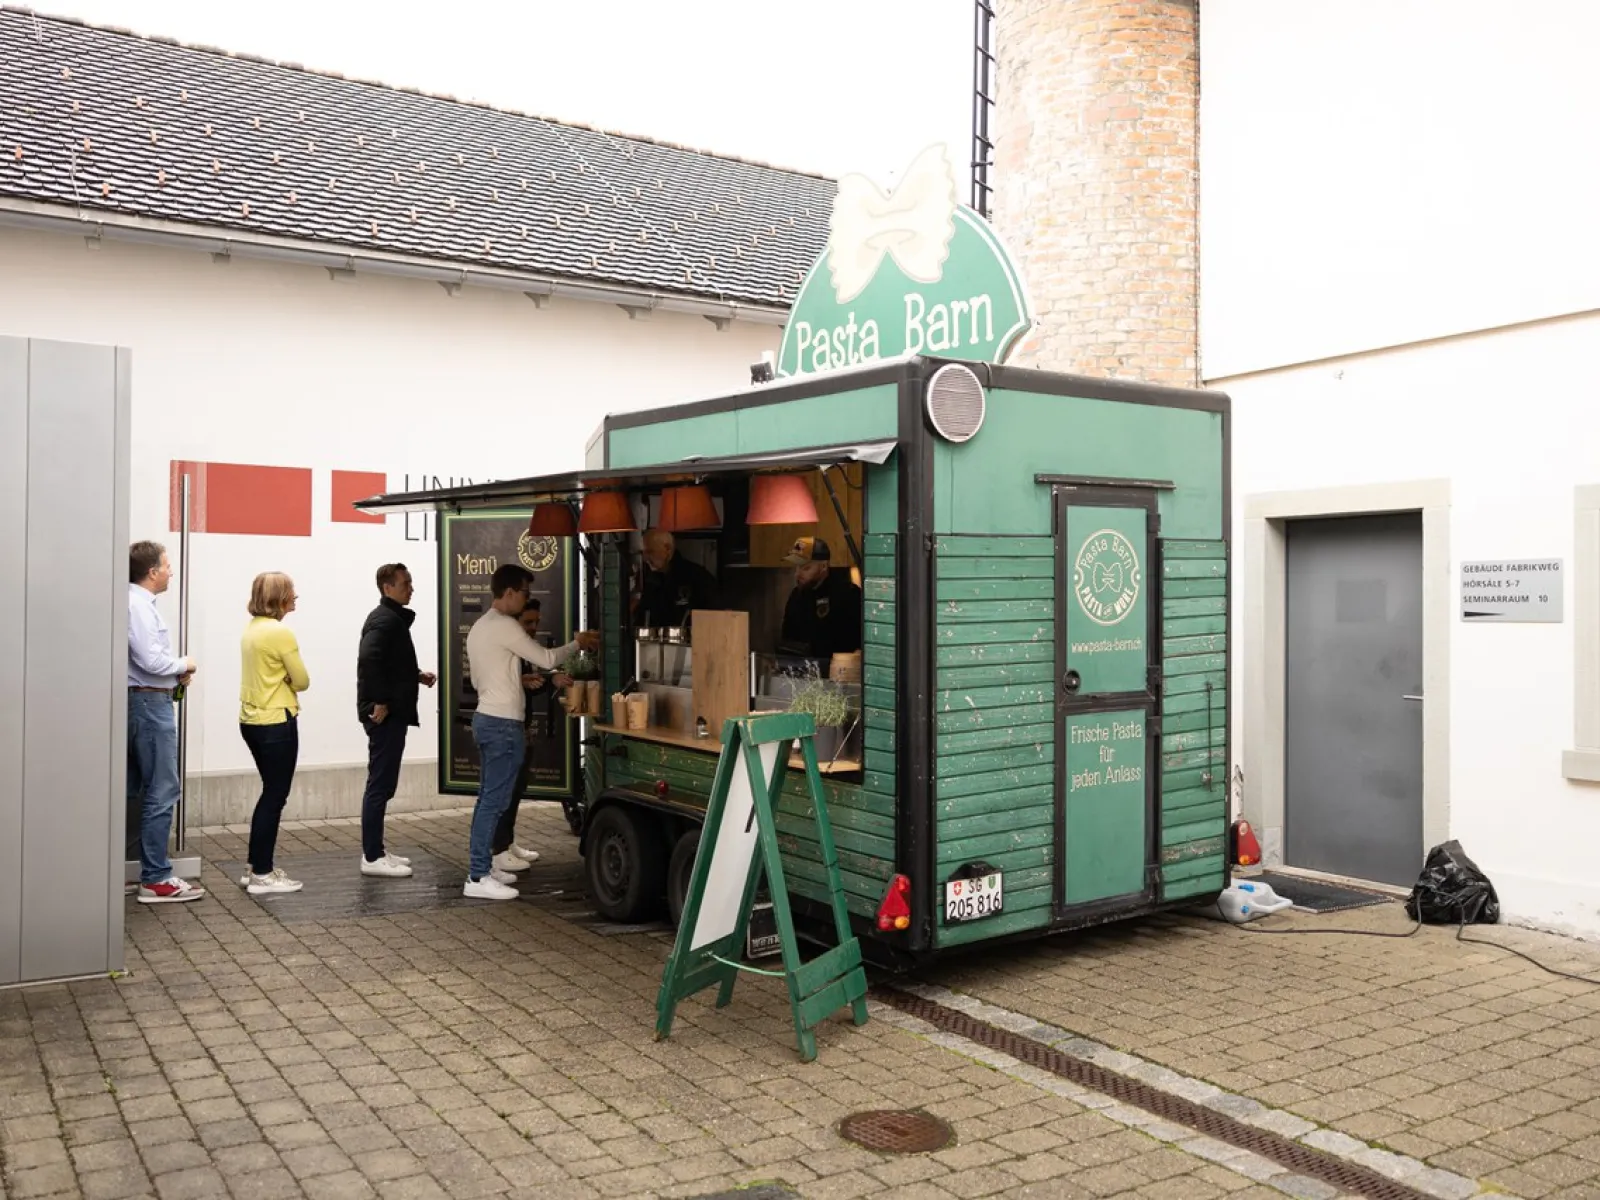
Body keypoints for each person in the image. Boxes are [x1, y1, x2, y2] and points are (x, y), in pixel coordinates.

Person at [463, 564, 599, 900]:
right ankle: (478, 876)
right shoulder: (505, 626)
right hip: (502, 723)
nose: (527, 600)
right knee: (493, 802)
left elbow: (485, 679)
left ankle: (487, 865)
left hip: (487, 718)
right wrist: (578, 642)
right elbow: (547, 657)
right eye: (524, 593)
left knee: (488, 800)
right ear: (508, 592)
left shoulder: (480, 627)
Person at [127, 541, 205, 904]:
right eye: (167, 565)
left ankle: (149, 871)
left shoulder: (137, 604)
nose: (171, 571)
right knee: (163, 788)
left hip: (146, 699)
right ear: (152, 571)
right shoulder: (137, 606)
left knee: (143, 789)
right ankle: (156, 877)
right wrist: (183, 664)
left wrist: (173, 675)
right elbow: (150, 661)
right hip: (149, 704)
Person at [355, 563, 438, 879]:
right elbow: (369, 659)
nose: (411, 588)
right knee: (380, 784)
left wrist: (417, 676)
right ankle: (372, 857)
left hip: (392, 711)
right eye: (405, 583)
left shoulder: (391, 619)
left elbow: (390, 662)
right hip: (385, 715)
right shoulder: (384, 620)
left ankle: (376, 850)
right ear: (387, 587)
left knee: (384, 784)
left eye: (411, 582)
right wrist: (381, 702)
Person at [238, 572, 309, 896]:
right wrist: (287, 682)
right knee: (274, 796)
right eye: (292, 593)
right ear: (280, 598)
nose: (296, 597)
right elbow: (303, 680)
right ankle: (262, 874)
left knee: (270, 793)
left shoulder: (251, 630)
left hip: (250, 720)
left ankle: (255, 866)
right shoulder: (280, 633)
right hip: (276, 721)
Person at [490, 599, 571, 875]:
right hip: (503, 727)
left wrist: (547, 680)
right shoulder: (502, 643)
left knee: (516, 789)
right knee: (502, 793)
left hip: (518, 727)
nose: (534, 628)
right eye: (528, 623)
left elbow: (531, 679)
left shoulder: (521, 647)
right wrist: (524, 681)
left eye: (537, 622)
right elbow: (494, 682)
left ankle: (506, 844)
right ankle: (496, 851)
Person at [779, 536, 863, 666]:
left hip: (838, 674)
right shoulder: (796, 596)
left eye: (805, 568)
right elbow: (787, 638)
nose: (797, 574)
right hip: (801, 674)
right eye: (796, 568)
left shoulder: (848, 594)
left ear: (823, 566)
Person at [632, 527, 722, 628]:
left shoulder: (697, 576)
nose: (645, 558)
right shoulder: (648, 580)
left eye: (650, 552)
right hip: (654, 642)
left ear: (668, 549)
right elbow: (640, 618)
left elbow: (716, 616)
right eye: (642, 553)